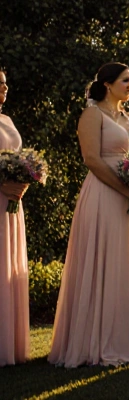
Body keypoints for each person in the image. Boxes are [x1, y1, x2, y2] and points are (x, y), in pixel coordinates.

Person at [49, 63, 129, 367]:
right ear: (108, 84)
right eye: (126, 81)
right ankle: (96, 340)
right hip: (103, 194)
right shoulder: (92, 114)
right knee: (105, 260)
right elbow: (92, 159)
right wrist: (123, 190)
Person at [0, 69, 30, 366]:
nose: (4, 88)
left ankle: (7, 343)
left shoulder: (6, 120)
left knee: (7, 264)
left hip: (11, 201)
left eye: (6, 83)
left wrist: (23, 176)